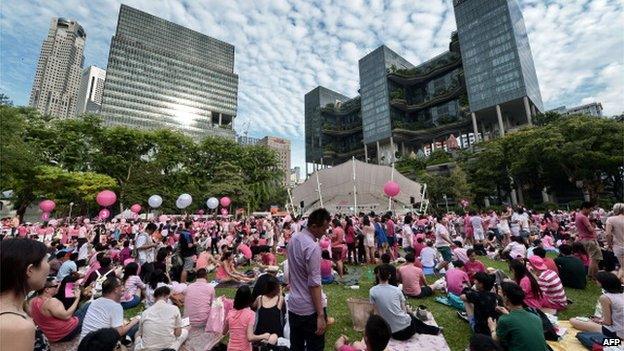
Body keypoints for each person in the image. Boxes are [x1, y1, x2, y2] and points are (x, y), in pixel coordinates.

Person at [287, 208, 331, 351]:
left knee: (296, 346)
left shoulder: (294, 238)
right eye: (323, 228)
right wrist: (320, 315)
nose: (325, 232)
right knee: (315, 347)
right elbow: (314, 284)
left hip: (293, 304)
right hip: (309, 309)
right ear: (313, 226)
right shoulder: (312, 247)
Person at [0, 239, 51, 351]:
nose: (49, 267)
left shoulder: (17, 310)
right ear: (30, 270)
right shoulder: (17, 327)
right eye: (46, 260)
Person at [370, 264, 440, 340]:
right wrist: (410, 312)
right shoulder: (397, 290)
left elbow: (376, 313)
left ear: (377, 276)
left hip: (392, 333)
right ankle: (434, 330)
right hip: (408, 331)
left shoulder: (372, 291)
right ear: (389, 276)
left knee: (411, 319)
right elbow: (404, 311)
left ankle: (432, 329)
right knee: (413, 319)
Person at [487, 282, 548, 351]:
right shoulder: (536, 317)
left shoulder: (504, 320)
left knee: (479, 339)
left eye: (501, 295)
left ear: (506, 299)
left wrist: (492, 328)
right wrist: (508, 314)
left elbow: (496, 339)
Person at [79, 276, 139, 342]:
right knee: (136, 326)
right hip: (98, 346)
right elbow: (119, 332)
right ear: (116, 289)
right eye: (121, 285)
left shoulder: (94, 302)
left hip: (83, 343)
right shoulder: (116, 307)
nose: (123, 288)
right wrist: (133, 322)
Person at [29, 277, 87, 342]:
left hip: (52, 336)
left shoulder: (32, 301)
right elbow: (67, 316)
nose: (59, 286)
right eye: (56, 285)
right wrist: (77, 298)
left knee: (81, 311)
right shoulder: (51, 302)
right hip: (67, 333)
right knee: (88, 305)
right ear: (47, 289)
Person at [570, 271, 623, 339]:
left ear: (602, 283)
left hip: (617, 333)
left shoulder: (605, 298)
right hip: (619, 327)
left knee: (573, 321)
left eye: (596, 280)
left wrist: (598, 321)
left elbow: (607, 322)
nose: (596, 282)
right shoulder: (622, 295)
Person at [135, 286, 188, 351]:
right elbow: (178, 334)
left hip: (147, 349)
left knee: (137, 334)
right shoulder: (174, 309)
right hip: (169, 348)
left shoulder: (145, 313)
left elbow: (141, 334)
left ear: (154, 298)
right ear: (168, 296)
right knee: (185, 332)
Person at [224, 285, 273, 351]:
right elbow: (250, 337)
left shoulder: (230, 313)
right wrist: (264, 336)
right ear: (249, 298)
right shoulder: (250, 314)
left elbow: (224, 332)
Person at [576, 202, 602, 279]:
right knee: (594, 259)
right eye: (589, 210)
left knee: (594, 258)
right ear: (584, 208)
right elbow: (590, 229)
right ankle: (591, 276)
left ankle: (595, 275)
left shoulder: (578, 216)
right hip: (589, 239)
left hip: (584, 239)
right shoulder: (583, 217)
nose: (590, 212)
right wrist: (594, 226)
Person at [605, 203, 624, 282]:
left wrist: (609, 245)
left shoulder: (610, 219)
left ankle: (616, 283)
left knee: (622, 267)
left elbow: (608, 234)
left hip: (618, 246)